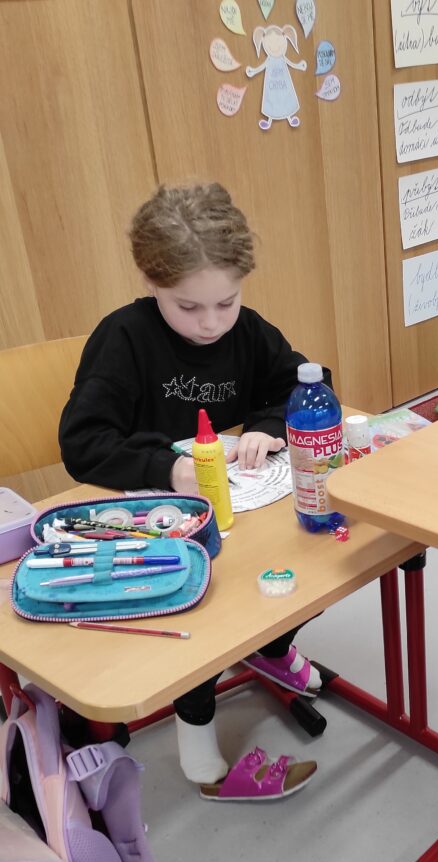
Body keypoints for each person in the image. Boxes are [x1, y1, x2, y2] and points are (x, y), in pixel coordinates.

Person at [59, 181, 323, 801]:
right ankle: (202, 760)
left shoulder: (247, 331)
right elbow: (83, 443)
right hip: (158, 526)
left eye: (225, 303)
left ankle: (271, 646)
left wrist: (265, 427)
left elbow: (303, 382)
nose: (210, 323)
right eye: (188, 307)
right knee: (199, 610)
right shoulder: (124, 339)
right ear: (152, 283)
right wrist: (166, 469)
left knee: (317, 559)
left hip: (241, 509)